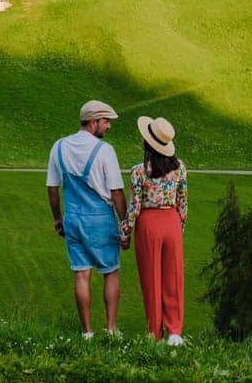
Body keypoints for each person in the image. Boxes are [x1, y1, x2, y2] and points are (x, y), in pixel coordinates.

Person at [47, 99, 129, 337]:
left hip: (72, 217)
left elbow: (52, 188)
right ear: (93, 122)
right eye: (105, 121)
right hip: (100, 218)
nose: (108, 126)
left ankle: (87, 333)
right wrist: (125, 223)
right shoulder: (104, 151)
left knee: (81, 274)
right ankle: (111, 329)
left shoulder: (59, 146)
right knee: (110, 271)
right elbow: (116, 192)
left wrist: (57, 218)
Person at [124, 115, 187, 345]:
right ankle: (175, 332)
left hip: (149, 224)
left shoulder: (139, 171)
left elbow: (134, 206)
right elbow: (183, 203)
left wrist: (125, 232)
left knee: (151, 279)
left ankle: (155, 332)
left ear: (148, 143)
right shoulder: (180, 169)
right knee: (173, 277)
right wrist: (179, 227)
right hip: (171, 221)